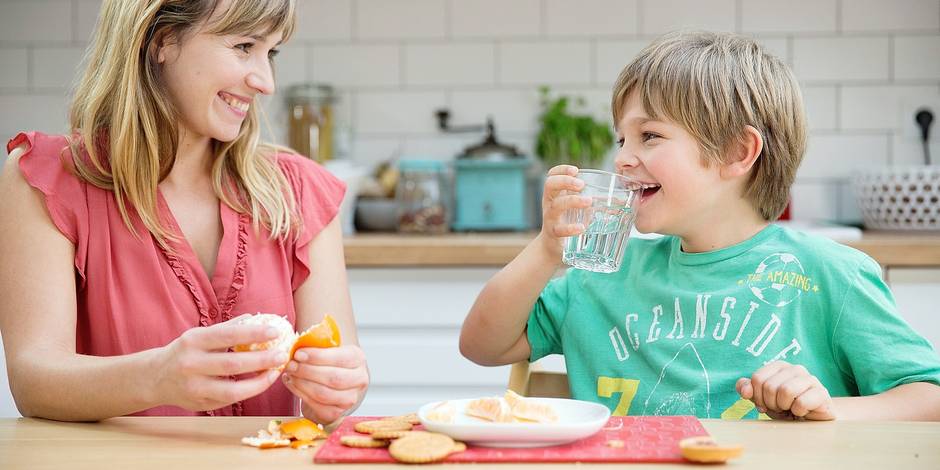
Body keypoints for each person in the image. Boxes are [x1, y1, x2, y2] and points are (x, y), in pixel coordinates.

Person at [460, 31, 940, 421]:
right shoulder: (600, 277)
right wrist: (548, 249)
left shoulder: (831, 274)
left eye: (650, 136)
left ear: (737, 153)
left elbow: (928, 399)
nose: (623, 158)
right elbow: (481, 346)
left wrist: (827, 408)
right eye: (622, 137)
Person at [0, 0, 368, 423]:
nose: (265, 81)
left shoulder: (299, 191)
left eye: (272, 52)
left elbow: (339, 373)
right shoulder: (48, 178)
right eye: (244, 46)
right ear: (163, 40)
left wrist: (337, 387)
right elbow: (33, 381)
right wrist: (159, 377)